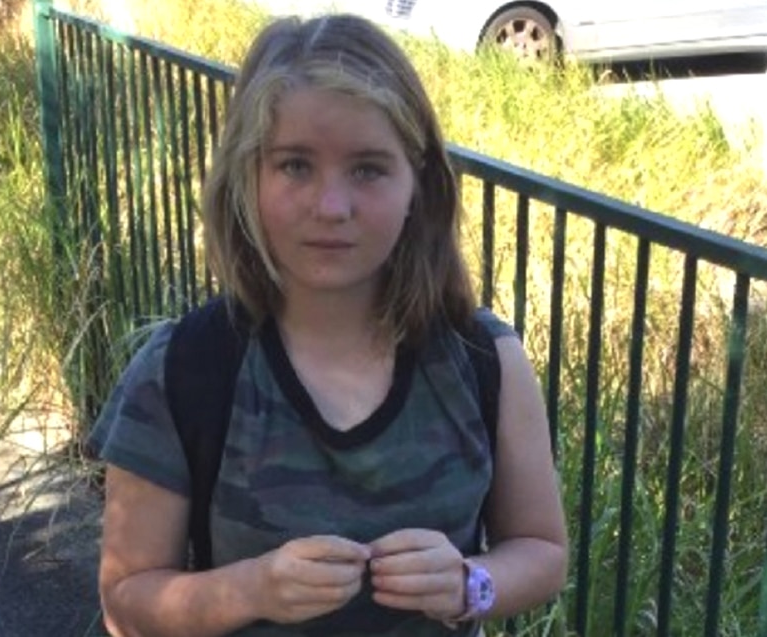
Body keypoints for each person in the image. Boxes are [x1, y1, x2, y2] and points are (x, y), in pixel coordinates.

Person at [89, 12, 567, 637]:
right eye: (294, 165)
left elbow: (542, 551)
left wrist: (466, 585)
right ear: (248, 176)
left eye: (368, 168)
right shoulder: (183, 369)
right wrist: (251, 588)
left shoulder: (485, 360)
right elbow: (125, 602)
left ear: (417, 185)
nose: (331, 207)